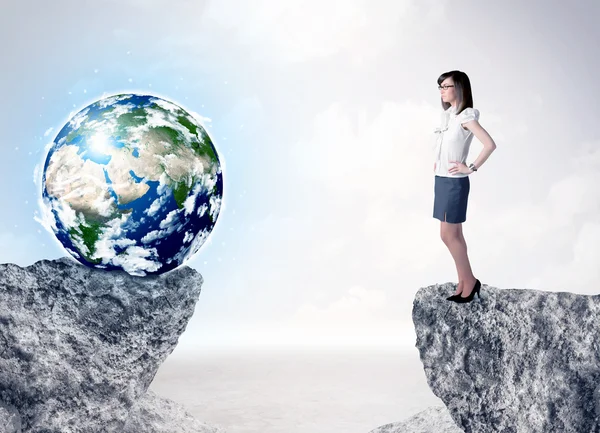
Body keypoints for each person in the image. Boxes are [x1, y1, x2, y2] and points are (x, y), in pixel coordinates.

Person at [432, 70, 497, 303]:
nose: (441, 90)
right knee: (454, 234)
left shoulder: (465, 117)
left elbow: (489, 144)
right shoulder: (449, 116)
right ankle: (463, 280)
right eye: (440, 86)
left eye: (446, 86)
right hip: (441, 180)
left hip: (453, 183)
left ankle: (469, 280)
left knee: (448, 235)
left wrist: (470, 167)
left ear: (459, 88)